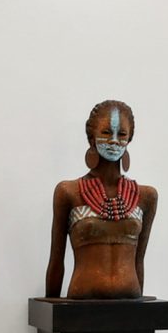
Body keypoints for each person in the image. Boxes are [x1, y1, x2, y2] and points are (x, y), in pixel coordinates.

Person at [44, 99, 159, 300]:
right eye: (106, 133)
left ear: (129, 139)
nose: (114, 141)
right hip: (81, 303)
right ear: (91, 138)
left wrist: (141, 306)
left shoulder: (146, 196)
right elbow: (56, 260)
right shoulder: (68, 192)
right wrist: (49, 307)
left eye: (121, 134)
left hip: (130, 302)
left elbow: (138, 261)